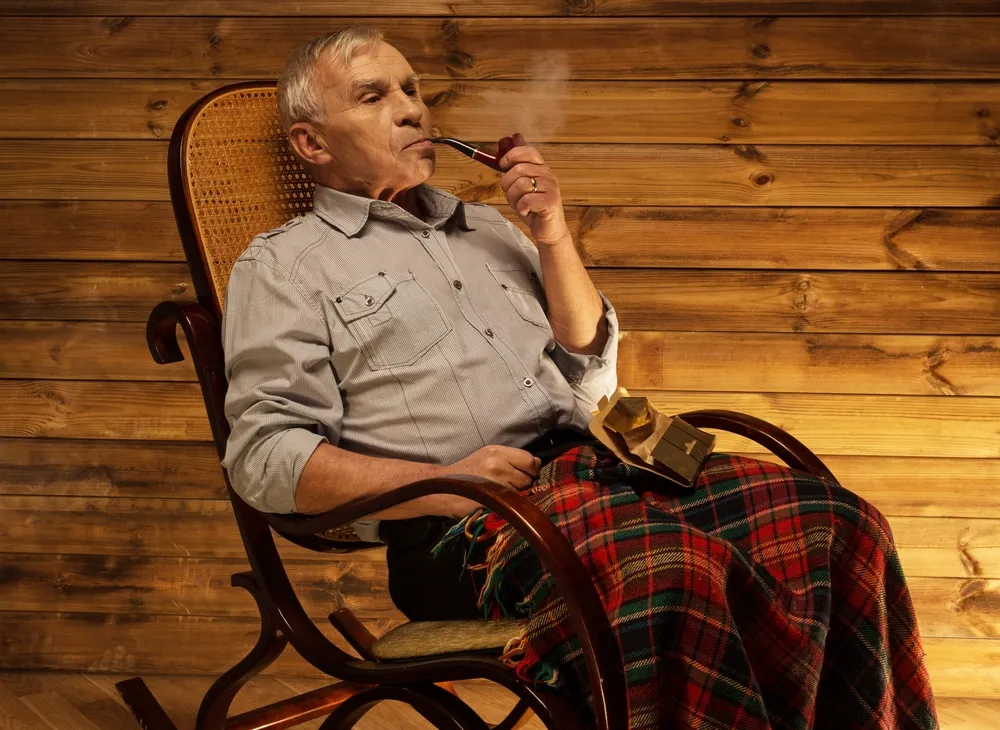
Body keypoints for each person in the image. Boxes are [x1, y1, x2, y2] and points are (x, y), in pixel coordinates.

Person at [221, 26, 938, 730]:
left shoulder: (486, 227)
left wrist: (552, 232)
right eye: (373, 96)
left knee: (844, 525)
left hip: (603, 474)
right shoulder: (283, 266)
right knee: (673, 573)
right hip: (468, 532)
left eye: (411, 89)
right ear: (312, 144)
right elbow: (263, 458)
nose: (412, 109)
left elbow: (590, 378)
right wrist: (442, 482)